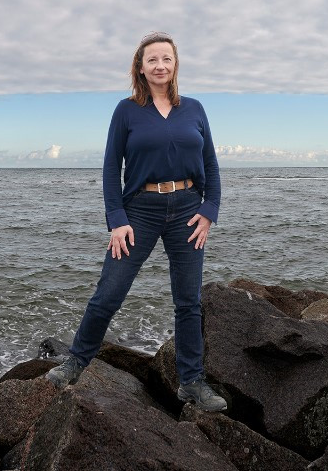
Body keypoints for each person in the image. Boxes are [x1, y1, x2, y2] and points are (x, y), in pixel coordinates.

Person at [45, 31, 226, 412]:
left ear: (175, 65)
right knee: (108, 293)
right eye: (152, 60)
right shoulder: (126, 110)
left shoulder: (194, 108)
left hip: (189, 209)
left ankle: (191, 381)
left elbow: (210, 162)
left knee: (188, 302)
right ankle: (77, 362)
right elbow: (112, 167)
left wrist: (210, 210)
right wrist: (117, 219)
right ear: (140, 68)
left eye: (167, 59)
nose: (160, 65)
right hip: (139, 210)